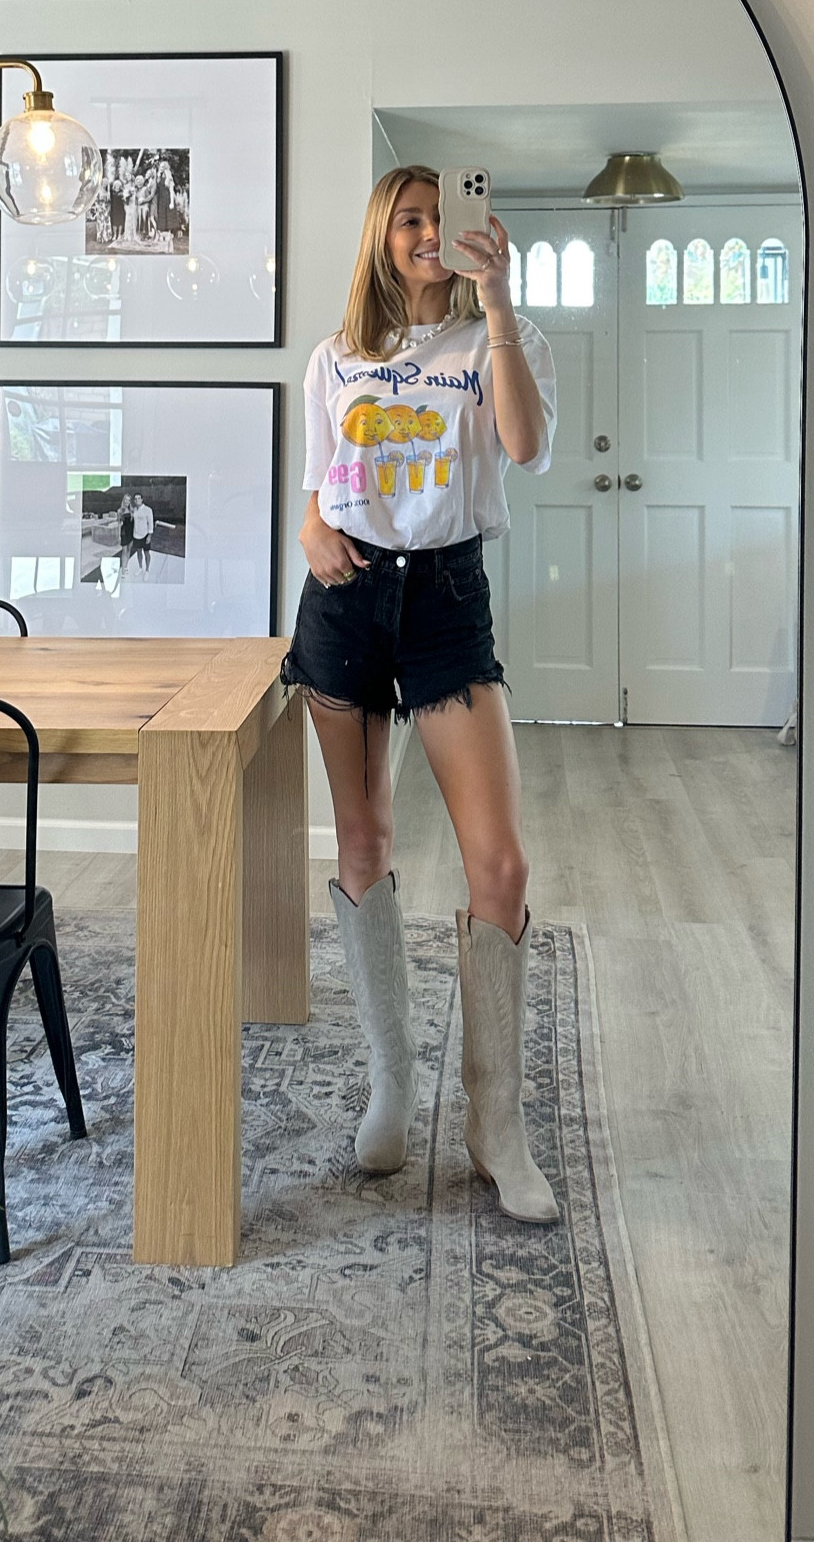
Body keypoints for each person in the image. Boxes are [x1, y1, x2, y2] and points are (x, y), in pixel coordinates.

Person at [284, 164, 559, 1223]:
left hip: (445, 602)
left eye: (445, 217)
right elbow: (319, 493)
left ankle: (496, 1126)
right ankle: (391, 1084)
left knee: (501, 863)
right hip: (346, 602)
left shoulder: (498, 341)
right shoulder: (335, 355)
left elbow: (527, 448)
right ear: (382, 234)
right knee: (362, 843)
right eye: (411, 218)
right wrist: (311, 532)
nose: (431, 233)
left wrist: (499, 303)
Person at [131, 492, 155, 571]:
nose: (137, 500)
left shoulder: (148, 510)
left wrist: (149, 536)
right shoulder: (134, 510)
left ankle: (147, 569)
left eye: (139, 498)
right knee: (138, 552)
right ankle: (140, 567)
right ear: (134, 501)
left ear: (142, 499)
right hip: (136, 535)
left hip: (145, 535)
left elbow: (150, 523)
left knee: (146, 553)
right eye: (135, 499)